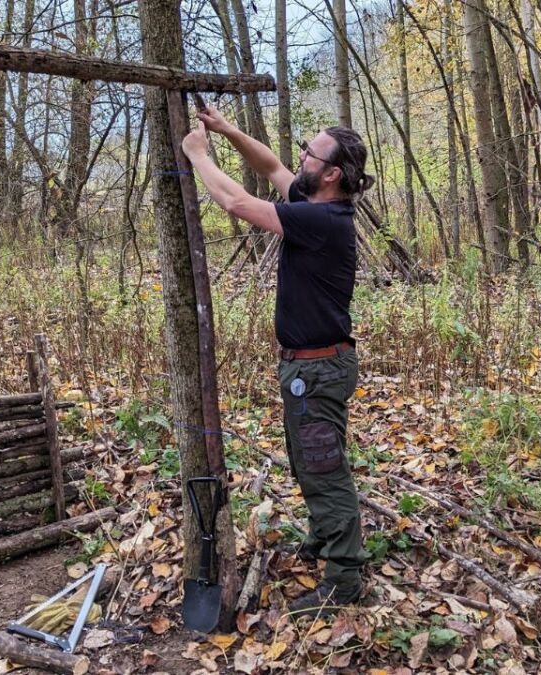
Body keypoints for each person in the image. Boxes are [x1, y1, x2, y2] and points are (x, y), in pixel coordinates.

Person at [181, 107, 374, 617]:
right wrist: (226, 130)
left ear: (331, 173)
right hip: (309, 368)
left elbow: (235, 200)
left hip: (316, 369)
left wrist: (199, 154)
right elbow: (270, 169)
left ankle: (345, 577)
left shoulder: (323, 220)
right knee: (310, 462)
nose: (301, 158)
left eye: (311, 153)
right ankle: (323, 538)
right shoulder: (314, 200)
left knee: (325, 469)